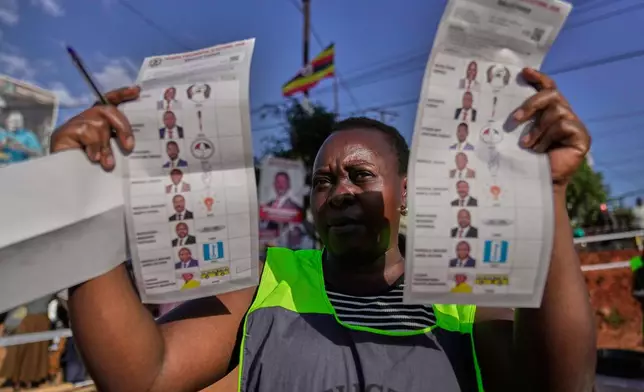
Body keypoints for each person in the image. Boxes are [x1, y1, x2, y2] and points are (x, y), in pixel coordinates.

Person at [50, 68, 596, 392]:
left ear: (405, 192)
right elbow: (144, 376)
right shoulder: (266, 281)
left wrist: (545, 195)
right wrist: (80, 197)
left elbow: (561, 385)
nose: (338, 192)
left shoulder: (466, 297)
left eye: (361, 175)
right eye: (322, 181)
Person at [0, 296, 54, 389]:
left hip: (28, 320)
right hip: (39, 320)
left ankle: (19, 381)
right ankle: (24, 381)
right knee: (32, 353)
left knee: (23, 352)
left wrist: (8, 325)